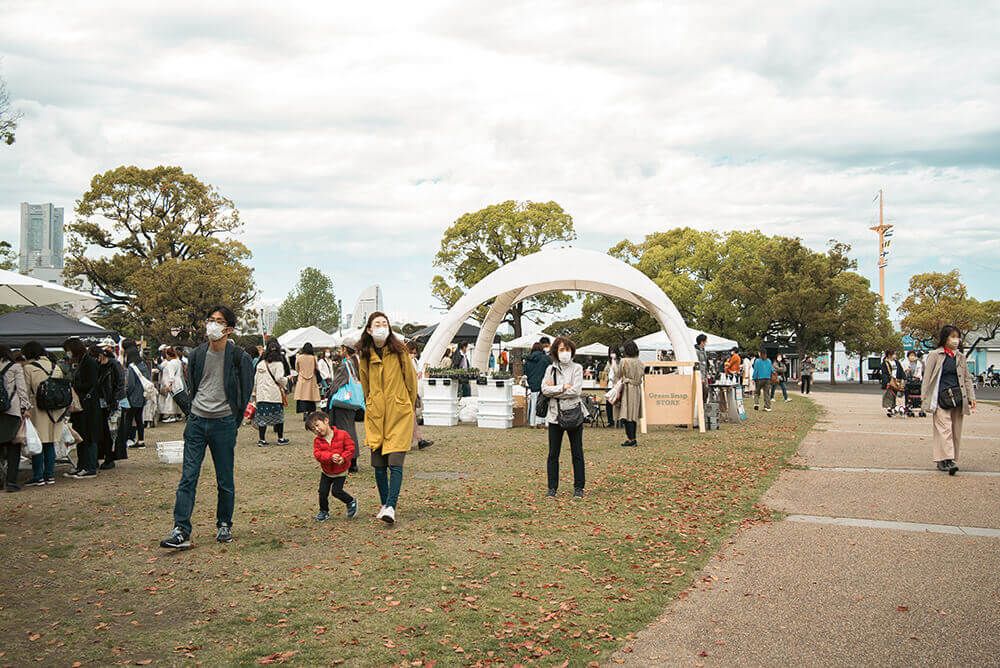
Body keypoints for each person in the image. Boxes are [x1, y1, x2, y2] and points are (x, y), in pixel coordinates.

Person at [160, 305, 254, 549]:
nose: (212, 324)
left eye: (218, 321)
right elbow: (192, 384)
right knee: (188, 477)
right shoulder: (198, 354)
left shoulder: (239, 357)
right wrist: (192, 413)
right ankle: (181, 529)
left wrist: (233, 422)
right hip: (197, 422)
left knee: (225, 478)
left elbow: (244, 392)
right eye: (210, 319)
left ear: (228, 328)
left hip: (223, 422)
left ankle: (224, 524)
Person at [358, 312, 418, 525]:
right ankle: (385, 504)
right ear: (369, 330)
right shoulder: (364, 355)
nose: (382, 326)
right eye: (377, 324)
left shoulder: (399, 350)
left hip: (399, 412)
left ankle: (391, 505)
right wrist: (371, 402)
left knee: (395, 462)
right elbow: (364, 383)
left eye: (385, 323)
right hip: (376, 414)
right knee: (379, 464)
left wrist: (407, 405)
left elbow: (410, 379)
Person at [922, 326, 976, 475]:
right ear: (945, 338)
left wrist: (971, 397)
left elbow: (966, 378)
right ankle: (947, 460)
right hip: (940, 398)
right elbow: (927, 378)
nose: (956, 340)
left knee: (955, 430)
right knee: (944, 429)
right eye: (952, 337)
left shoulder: (960, 357)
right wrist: (924, 398)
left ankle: (945, 459)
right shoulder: (935, 355)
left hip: (958, 399)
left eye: (957, 337)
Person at [541, 336, 586, 497]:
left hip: (573, 413)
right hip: (554, 415)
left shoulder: (577, 368)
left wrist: (555, 391)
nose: (565, 353)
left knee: (577, 452)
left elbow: (576, 391)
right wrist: (563, 387)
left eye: (567, 349)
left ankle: (579, 487)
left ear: (572, 351)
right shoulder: (550, 369)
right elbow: (544, 390)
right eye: (561, 349)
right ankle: (552, 488)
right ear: (555, 352)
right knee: (553, 453)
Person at [21, 341, 65, 486]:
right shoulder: (55, 366)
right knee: (50, 442)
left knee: (37, 441)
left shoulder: (28, 368)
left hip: (37, 408)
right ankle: (50, 475)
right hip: (56, 409)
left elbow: (25, 391)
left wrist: (24, 409)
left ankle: (38, 476)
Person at [307, 410, 359, 521]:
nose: (316, 430)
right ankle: (323, 511)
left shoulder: (342, 434)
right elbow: (318, 454)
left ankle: (350, 501)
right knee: (322, 492)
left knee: (336, 491)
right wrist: (330, 456)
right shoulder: (318, 441)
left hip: (340, 470)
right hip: (326, 471)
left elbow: (350, 448)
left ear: (326, 421)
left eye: (317, 425)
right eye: (313, 429)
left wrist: (343, 458)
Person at [63, 338, 100, 479]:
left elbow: (92, 383)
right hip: (81, 405)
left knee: (88, 436)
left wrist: (74, 386)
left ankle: (90, 467)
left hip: (88, 404)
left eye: (68, 350)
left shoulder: (88, 362)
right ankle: (81, 465)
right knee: (80, 435)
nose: (67, 353)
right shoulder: (81, 362)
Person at [329, 339, 362, 472]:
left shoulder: (345, 365)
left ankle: (350, 459)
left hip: (343, 403)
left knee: (344, 432)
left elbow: (336, 384)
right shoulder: (355, 363)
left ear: (345, 350)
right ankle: (352, 459)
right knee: (350, 429)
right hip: (352, 403)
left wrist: (329, 393)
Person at [0, 346, 31, 492]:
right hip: (12, 411)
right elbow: (21, 389)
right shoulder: (15, 367)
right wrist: (25, 407)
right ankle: (11, 482)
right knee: (14, 446)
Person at [252, 340, 288, 446]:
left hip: (262, 395)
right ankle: (280, 438)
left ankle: (262, 440)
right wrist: (286, 380)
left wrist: (254, 392)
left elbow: (255, 379)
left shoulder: (261, 363)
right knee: (278, 417)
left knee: (262, 418)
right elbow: (279, 378)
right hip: (274, 395)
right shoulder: (279, 364)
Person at [119, 346, 151, 450]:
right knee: (139, 419)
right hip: (142, 395)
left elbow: (130, 384)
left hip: (133, 397)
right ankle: (141, 440)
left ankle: (124, 441)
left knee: (128, 419)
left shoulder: (132, 367)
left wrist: (126, 393)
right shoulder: (143, 365)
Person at [615, 340, 643, 447]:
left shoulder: (624, 361)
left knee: (627, 414)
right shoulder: (639, 362)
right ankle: (632, 438)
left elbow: (618, 374)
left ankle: (631, 439)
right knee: (633, 414)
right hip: (636, 388)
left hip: (627, 388)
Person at [406, 340, 433, 450]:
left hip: (412, 391)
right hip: (409, 392)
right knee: (411, 417)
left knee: (412, 418)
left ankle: (415, 440)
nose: (414, 354)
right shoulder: (408, 360)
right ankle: (417, 440)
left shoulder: (413, 360)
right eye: (413, 351)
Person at [523, 342, 551, 429]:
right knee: (545, 403)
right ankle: (545, 422)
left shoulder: (528, 359)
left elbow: (525, 372)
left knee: (534, 404)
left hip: (533, 384)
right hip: (544, 384)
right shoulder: (546, 359)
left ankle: (532, 422)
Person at [294, 342, 321, 421]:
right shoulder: (313, 358)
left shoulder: (299, 357)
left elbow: (296, 368)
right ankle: (310, 412)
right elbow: (317, 368)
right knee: (311, 397)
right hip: (312, 379)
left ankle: (304, 412)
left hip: (302, 379)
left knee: (302, 397)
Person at [158, 347, 185, 423]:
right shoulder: (178, 361)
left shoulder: (170, 363)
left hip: (173, 384)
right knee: (176, 400)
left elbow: (171, 375)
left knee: (170, 400)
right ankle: (176, 415)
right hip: (179, 383)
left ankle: (170, 416)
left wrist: (169, 385)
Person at [880, 350, 905, 418]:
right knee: (890, 394)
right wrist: (887, 382)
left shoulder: (896, 362)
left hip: (897, 381)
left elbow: (901, 370)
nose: (895, 356)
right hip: (890, 381)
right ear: (889, 355)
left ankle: (893, 408)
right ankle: (890, 407)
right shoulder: (885, 363)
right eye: (894, 354)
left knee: (896, 394)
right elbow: (884, 374)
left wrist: (904, 378)